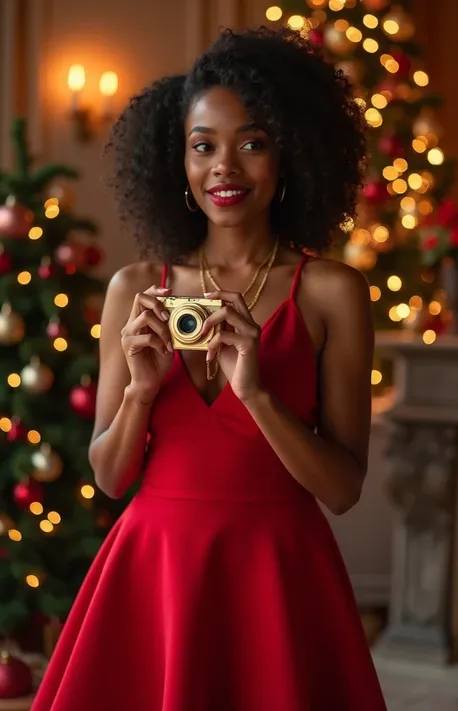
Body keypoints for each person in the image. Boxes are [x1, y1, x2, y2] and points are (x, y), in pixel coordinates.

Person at [31, 27, 387, 711]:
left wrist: (255, 393)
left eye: (251, 142)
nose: (225, 166)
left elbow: (342, 488)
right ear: (179, 163)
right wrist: (139, 390)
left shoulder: (332, 292)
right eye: (203, 146)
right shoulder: (134, 287)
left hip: (279, 573)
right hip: (153, 570)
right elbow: (110, 475)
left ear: (290, 154)